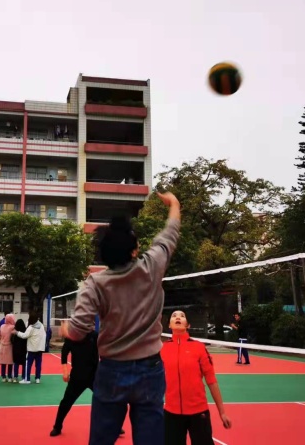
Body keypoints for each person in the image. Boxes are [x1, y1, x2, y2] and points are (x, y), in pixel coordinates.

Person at [61, 191, 181, 445]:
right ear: (134, 250)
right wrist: (174, 204)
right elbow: (170, 233)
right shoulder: (152, 266)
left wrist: (66, 331)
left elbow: (79, 331)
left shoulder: (95, 283)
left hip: (112, 369)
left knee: (102, 440)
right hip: (150, 368)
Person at [162, 310, 231, 445]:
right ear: (169, 325)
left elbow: (211, 381)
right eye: (174, 316)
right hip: (171, 414)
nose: (178, 317)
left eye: (182, 316)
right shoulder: (162, 349)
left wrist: (222, 413)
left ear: (188, 325)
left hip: (198, 413)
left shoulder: (199, 347)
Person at [50, 330, 125, 437]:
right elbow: (64, 352)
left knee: (106, 401)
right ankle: (57, 427)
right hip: (77, 378)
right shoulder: (72, 336)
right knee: (66, 402)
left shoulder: (94, 335)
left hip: (94, 377)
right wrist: (65, 371)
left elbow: (104, 351)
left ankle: (115, 427)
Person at [14, 312, 46, 384]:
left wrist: (16, 332)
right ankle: (37, 378)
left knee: (28, 365)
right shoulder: (41, 326)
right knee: (38, 365)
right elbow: (44, 335)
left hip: (32, 349)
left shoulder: (31, 327)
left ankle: (27, 379)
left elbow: (24, 335)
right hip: (40, 349)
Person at [0, 314, 15, 382]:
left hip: (2, 345)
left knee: (3, 362)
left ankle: (3, 377)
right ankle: (10, 376)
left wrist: (2, 340)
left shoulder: (2, 326)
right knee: (10, 362)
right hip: (10, 346)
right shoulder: (13, 327)